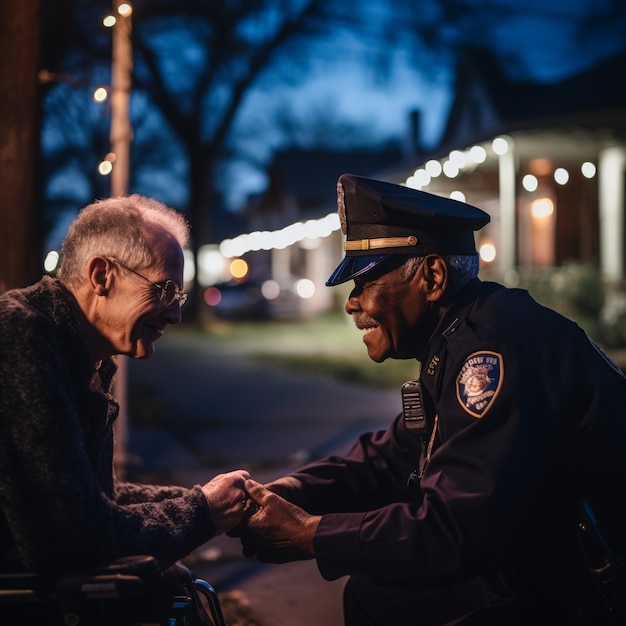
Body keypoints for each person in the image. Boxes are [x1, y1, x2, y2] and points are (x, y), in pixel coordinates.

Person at [234, 173, 626, 625]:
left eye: (365, 282)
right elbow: (391, 458)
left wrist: (310, 535)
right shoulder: (459, 336)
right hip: (542, 566)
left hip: (589, 592)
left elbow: (453, 529)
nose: (351, 303)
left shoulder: (494, 352)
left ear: (433, 276)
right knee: (375, 595)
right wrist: (292, 490)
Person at [0, 195, 250, 621]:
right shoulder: (21, 338)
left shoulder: (78, 354)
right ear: (102, 275)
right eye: (166, 289)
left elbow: (95, 498)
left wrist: (217, 501)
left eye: (180, 297)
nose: (174, 314)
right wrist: (203, 511)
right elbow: (70, 535)